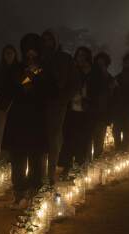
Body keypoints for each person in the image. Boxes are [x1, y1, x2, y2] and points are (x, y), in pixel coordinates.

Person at [2, 33, 49, 208]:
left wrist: (32, 78)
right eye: (27, 51)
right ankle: (19, 193)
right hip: (18, 118)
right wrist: (28, 77)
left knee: (36, 158)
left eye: (33, 51)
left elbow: (45, 89)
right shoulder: (17, 68)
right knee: (18, 158)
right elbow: (14, 85)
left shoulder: (44, 69)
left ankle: (35, 193)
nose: (30, 55)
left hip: (36, 117)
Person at [41, 29, 80, 185]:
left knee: (54, 138)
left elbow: (75, 81)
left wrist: (64, 98)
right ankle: (40, 174)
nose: (47, 43)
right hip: (38, 105)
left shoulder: (64, 59)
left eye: (50, 40)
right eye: (44, 40)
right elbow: (27, 79)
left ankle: (50, 174)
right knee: (40, 140)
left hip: (57, 105)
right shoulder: (38, 59)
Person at [59, 47, 93, 177]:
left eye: (83, 56)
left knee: (83, 141)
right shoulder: (72, 71)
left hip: (86, 113)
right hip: (71, 111)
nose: (80, 58)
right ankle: (67, 167)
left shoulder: (93, 73)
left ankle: (79, 166)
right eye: (78, 56)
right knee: (68, 140)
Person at [0, 45, 20, 159]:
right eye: (6, 53)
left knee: (13, 132)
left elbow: (23, 83)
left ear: (15, 54)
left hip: (15, 104)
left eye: (11, 53)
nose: (8, 55)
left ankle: (12, 157)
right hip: (0, 104)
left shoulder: (19, 69)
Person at [88, 52, 115, 157]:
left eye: (103, 64)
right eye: (99, 63)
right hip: (91, 112)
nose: (101, 66)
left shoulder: (110, 78)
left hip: (103, 112)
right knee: (89, 139)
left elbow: (112, 96)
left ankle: (95, 163)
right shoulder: (90, 76)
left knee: (99, 139)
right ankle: (87, 163)